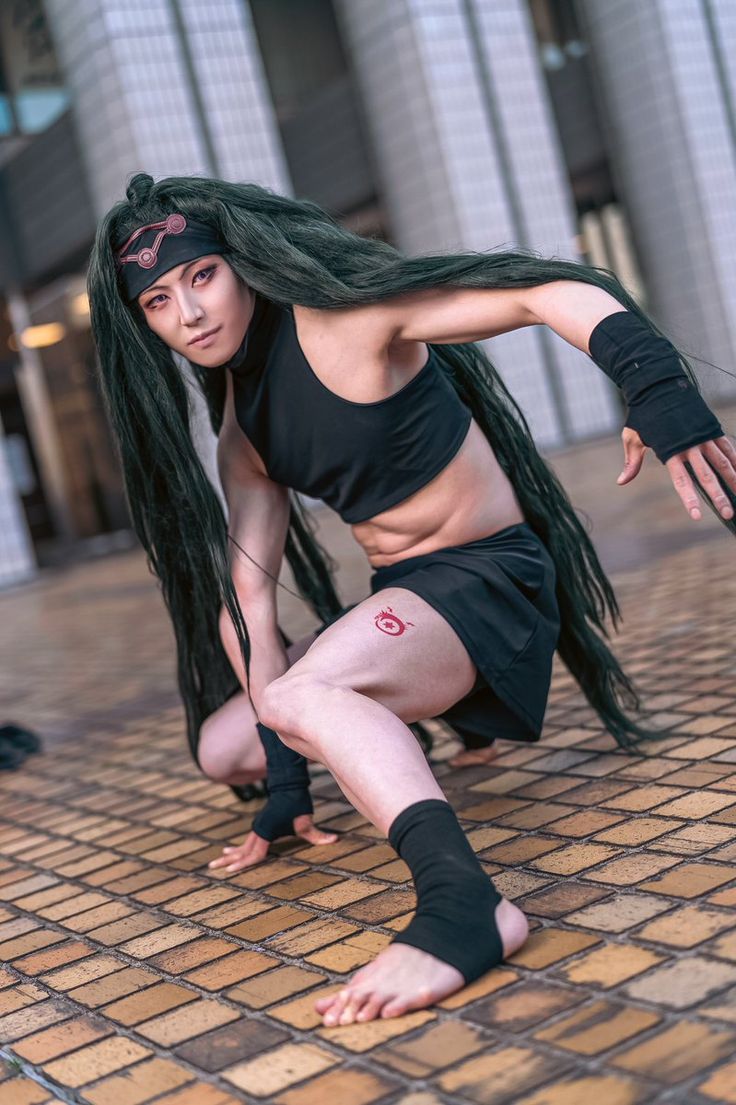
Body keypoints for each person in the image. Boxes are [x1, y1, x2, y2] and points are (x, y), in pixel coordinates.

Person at [87, 172, 736, 1026]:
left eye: (202, 276)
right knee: (225, 748)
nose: (191, 313)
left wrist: (657, 388)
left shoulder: (345, 321)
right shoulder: (243, 431)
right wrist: (286, 773)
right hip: (414, 614)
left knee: (303, 692)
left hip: (488, 583)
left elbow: (548, 292)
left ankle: (465, 906)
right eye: (161, 301)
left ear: (239, 265)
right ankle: (411, 726)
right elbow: (244, 594)